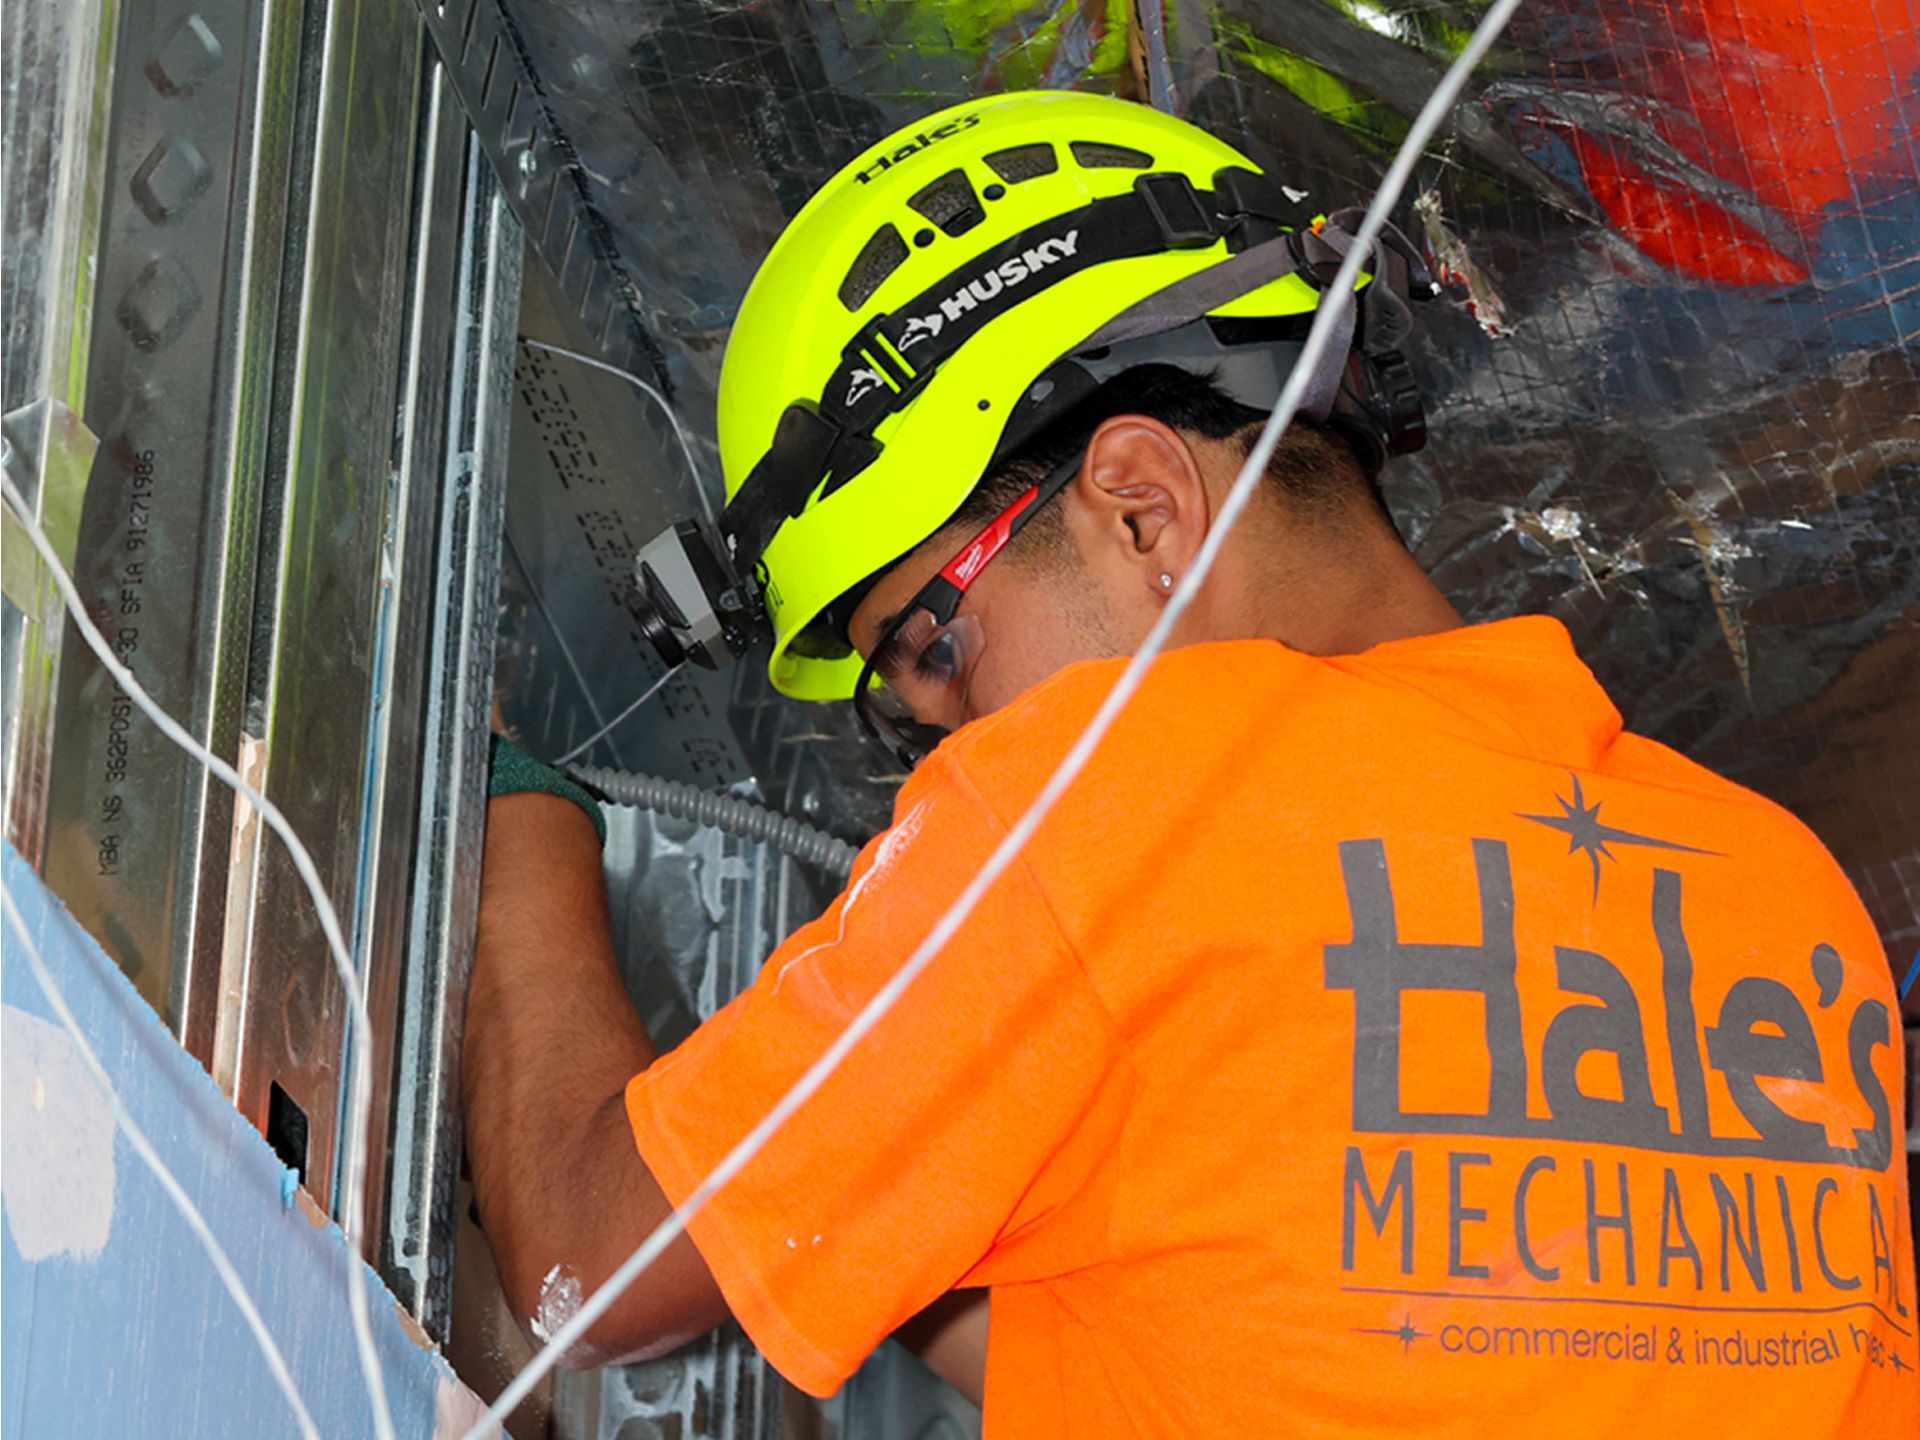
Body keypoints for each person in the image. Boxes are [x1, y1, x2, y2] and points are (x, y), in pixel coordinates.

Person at [463, 91, 1917, 1436]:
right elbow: (1189, 1327)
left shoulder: (1101, 807)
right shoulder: (1787, 900)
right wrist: (876, 1144)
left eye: (935, 651)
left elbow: (585, 1264)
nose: (948, 749)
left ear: (1144, 509)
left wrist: (512, 791)